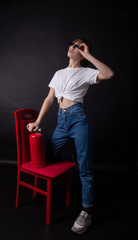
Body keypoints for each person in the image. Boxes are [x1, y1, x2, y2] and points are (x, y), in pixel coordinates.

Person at [26, 36, 114, 235]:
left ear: (82, 51)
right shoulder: (58, 73)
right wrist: (38, 122)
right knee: (48, 156)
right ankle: (73, 159)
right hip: (62, 122)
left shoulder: (87, 72)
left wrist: (88, 54)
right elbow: (49, 99)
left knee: (86, 169)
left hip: (78, 119)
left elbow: (108, 74)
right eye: (72, 44)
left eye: (78, 46)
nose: (73, 47)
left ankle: (86, 211)